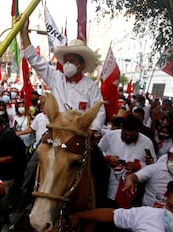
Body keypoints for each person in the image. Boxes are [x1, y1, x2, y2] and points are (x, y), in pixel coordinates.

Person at [20, 17, 110, 207]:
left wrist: (92, 131)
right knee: (32, 165)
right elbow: (33, 59)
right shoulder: (55, 77)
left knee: (102, 168)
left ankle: (99, 205)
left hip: (81, 137)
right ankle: (22, 207)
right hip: (55, 134)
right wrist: (23, 32)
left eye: (72, 60)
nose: (67, 63)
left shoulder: (91, 86)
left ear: (81, 64)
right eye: (66, 59)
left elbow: (99, 110)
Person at [98, 114, 157, 208]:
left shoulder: (147, 143)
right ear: (121, 127)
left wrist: (138, 167)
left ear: (138, 131)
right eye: (125, 134)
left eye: (132, 135)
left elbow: (153, 167)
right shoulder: (110, 136)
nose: (128, 137)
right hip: (106, 186)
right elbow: (98, 152)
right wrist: (108, 158)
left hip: (131, 192)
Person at [122, 140, 173, 208]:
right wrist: (129, 181)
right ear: (168, 157)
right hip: (148, 213)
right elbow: (135, 176)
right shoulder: (155, 168)